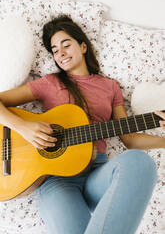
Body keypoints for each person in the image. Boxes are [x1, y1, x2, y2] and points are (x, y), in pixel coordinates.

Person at [0, 15, 165, 234]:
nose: (61, 53)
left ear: (83, 46)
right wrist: (23, 127)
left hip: (98, 172)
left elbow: (130, 139)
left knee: (141, 163)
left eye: (66, 44)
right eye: (55, 50)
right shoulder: (49, 83)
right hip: (57, 180)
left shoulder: (110, 87)